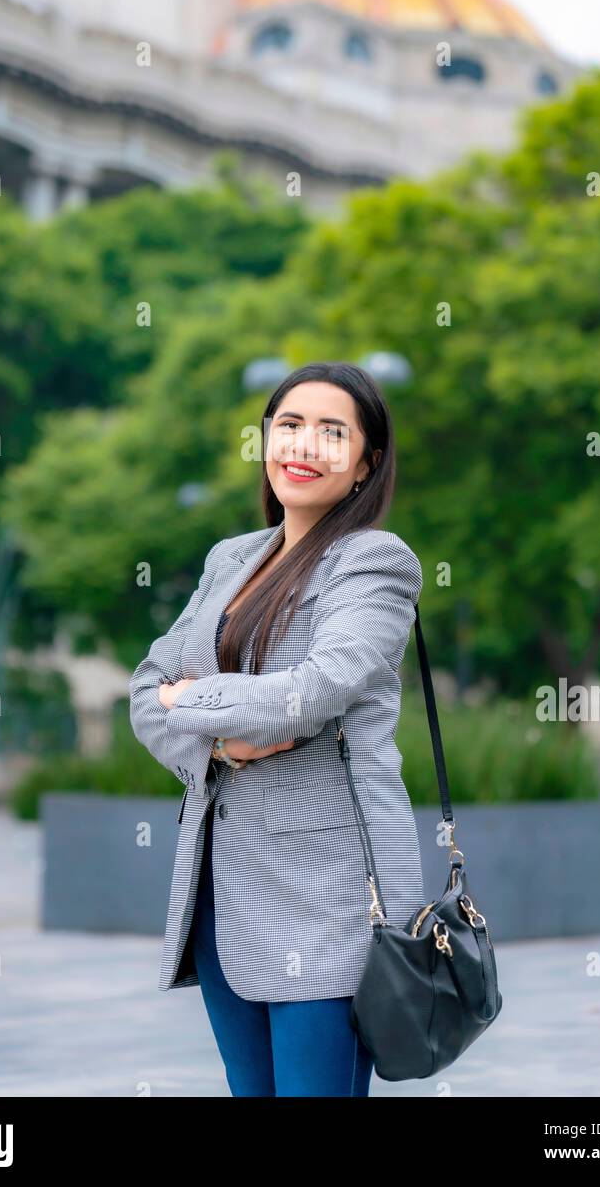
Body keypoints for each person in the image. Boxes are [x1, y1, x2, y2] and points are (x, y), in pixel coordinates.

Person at [129, 360, 425, 1096]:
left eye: (333, 431)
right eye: (289, 425)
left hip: (328, 892)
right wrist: (216, 734)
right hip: (219, 886)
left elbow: (312, 692)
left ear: (365, 464)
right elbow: (143, 688)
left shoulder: (372, 563)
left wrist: (186, 701)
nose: (305, 444)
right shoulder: (232, 558)